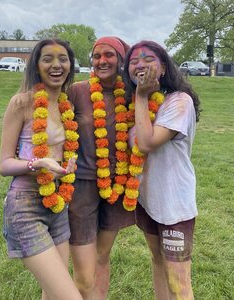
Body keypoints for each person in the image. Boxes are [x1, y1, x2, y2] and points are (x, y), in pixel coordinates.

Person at [0, 39, 82, 300]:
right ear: (36, 65)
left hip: (58, 206)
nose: (56, 65)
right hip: (25, 207)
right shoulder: (22, 103)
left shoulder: (67, 105)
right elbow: (4, 165)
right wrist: (39, 163)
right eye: (48, 59)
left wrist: (66, 167)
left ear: (70, 65)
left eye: (63, 58)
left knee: (52, 294)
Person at [124, 40, 200, 300]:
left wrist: (141, 95)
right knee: (158, 262)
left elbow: (146, 143)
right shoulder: (136, 106)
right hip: (148, 201)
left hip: (174, 205)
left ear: (164, 67)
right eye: (134, 61)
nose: (140, 65)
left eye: (148, 59)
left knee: (178, 281)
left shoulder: (179, 102)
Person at [68, 36, 136, 299]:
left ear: (120, 60)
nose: (102, 61)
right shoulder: (77, 90)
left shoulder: (131, 93)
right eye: (97, 56)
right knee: (84, 268)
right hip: (82, 185)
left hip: (118, 184)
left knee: (102, 255)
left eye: (109, 55)